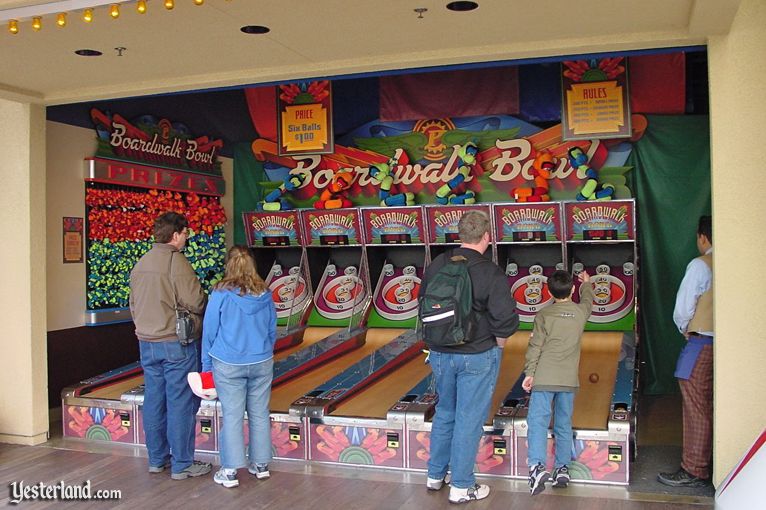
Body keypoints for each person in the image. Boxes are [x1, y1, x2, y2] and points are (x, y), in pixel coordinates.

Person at [421, 210, 519, 504]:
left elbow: (422, 303)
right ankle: (462, 486)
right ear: (487, 236)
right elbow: (506, 321)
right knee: (468, 419)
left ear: (459, 235)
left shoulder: (437, 264)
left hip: (438, 353)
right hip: (476, 354)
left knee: (446, 412)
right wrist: (498, 344)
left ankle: (435, 475)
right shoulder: (490, 271)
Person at [129, 211, 210, 480]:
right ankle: (182, 464)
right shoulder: (177, 262)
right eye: (186, 233)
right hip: (175, 342)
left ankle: (156, 459)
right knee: (180, 402)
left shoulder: (141, 263)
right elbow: (196, 301)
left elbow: (133, 304)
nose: (187, 238)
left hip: (147, 342)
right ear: (175, 235)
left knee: (154, 399)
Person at [201, 246, 277, 488]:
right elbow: (272, 330)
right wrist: (264, 350)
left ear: (229, 265)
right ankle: (261, 465)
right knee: (259, 412)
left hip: (228, 363)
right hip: (261, 361)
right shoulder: (265, 293)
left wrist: (205, 365)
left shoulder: (221, 293)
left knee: (232, 415)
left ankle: (230, 471)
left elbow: (210, 330)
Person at [522, 269, 593, 496]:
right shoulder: (580, 313)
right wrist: (587, 284)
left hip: (544, 378)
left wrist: (529, 373)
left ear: (548, 291)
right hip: (568, 380)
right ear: (572, 289)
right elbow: (589, 301)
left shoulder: (543, 315)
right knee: (563, 425)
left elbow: (535, 347)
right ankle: (562, 469)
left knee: (538, 422)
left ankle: (537, 467)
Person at [658, 216, 714, 488]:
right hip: (724, 344)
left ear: (702, 237)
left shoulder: (700, 265)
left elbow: (683, 308)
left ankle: (694, 468)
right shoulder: (732, 260)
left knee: (695, 404)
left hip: (701, 342)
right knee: (710, 403)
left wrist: (685, 327)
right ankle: (710, 459)